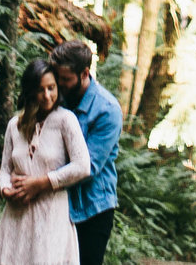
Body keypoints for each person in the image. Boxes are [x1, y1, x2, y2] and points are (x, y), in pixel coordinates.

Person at [0, 58, 92, 265]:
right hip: (16, 217)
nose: (47, 96)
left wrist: (42, 182)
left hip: (50, 216)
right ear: (30, 91)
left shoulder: (66, 120)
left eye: (52, 88)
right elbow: (4, 169)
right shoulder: (14, 126)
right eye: (40, 89)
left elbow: (83, 165)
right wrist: (6, 190)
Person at [49, 42, 122, 265]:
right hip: (58, 203)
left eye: (66, 79)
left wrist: (42, 181)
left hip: (93, 209)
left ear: (85, 73)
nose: (59, 84)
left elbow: (87, 167)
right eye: (57, 78)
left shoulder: (107, 110)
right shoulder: (55, 98)